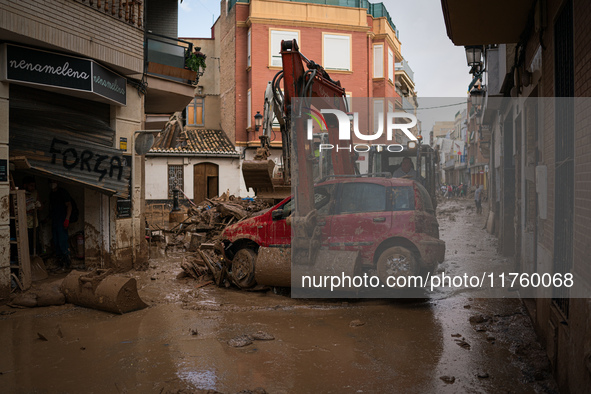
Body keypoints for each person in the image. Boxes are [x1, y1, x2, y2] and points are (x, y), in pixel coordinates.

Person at [49, 181, 73, 270]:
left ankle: (67, 263)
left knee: (62, 241)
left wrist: (67, 219)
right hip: (55, 220)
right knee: (56, 241)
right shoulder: (51, 194)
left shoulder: (63, 192)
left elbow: (69, 206)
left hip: (62, 220)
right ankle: (60, 263)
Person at [23, 176, 42, 255]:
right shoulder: (21, 194)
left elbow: (41, 208)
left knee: (35, 244)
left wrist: (39, 206)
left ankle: (34, 258)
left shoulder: (35, 193)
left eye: (34, 186)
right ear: (25, 185)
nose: (33, 188)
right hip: (25, 224)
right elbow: (14, 211)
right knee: (26, 245)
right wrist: (26, 208)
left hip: (34, 224)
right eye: (31, 185)